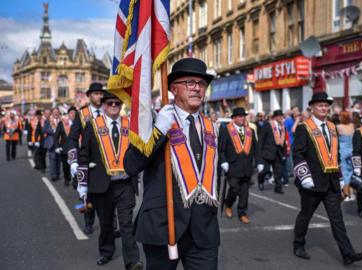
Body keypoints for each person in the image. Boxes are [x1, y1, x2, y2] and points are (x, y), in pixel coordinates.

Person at [124, 58, 219, 270]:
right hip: (162, 225)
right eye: (190, 83)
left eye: (201, 84)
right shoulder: (156, 121)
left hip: (204, 229)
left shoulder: (212, 127)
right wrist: (158, 132)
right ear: (174, 88)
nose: (197, 89)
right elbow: (130, 165)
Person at [292, 92, 362, 265]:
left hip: (332, 181)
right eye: (320, 105)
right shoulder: (305, 127)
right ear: (312, 108)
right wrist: (304, 176)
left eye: (326, 105)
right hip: (311, 182)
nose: (324, 108)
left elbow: (335, 155)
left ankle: (348, 253)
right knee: (306, 215)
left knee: (337, 219)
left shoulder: (332, 126)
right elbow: (298, 154)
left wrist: (341, 179)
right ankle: (298, 244)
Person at [77, 92, 142, 270]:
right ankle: (106, 252)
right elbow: (84, 155)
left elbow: (138, 152)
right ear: (104, 106)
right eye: (110, 103)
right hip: (102, 185)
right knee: (106, 224)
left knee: (126, 224)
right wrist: (82, 184)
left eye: (117, 103)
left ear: (121, 106)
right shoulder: (92, 126)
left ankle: (132, 261)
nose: (114, 106)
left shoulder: (130, 126)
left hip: (125, 184)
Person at [66, 82, 105, 234]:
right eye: (96, 93)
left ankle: (111, 224)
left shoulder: (108, 111)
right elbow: (72, 138)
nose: (99, 96)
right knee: (88, 195)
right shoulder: (82, 114)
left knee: (110, 193)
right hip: (87, 158)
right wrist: (73, 160)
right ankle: (89, 221)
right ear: (89, 96)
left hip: (106, 158)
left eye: (101, 93)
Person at [219, 107, 262, 224]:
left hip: (247, 167)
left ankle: (242, 212)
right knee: (234, 188)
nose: (242, 118)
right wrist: (223, 161)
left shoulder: (250, 131)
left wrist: (259, 162)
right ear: (234, 118)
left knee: (244, 191)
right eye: (239, 116)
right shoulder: (226, 130)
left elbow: (256, 148)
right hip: (232, 166)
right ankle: (228, 203)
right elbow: (221, 149)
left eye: (243, 116)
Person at [257, 109, 287, 194]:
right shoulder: (268, 124)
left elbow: (283, 141)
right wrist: (260, 152)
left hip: (278, 152)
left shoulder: (282, 126)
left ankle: (278, 188)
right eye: (280, 116)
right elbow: (261, 139)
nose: (282, 118)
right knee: (265, 170)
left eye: (282, 116)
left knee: (278, 171)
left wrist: (284, 152)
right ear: (275, 117)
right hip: (268, 152)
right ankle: (261, 181)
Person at [54, 106, 76, 186]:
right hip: (65, 149)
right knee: (66, 166)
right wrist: (57, 147)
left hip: (76, 149)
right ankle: (67, 179)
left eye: (74, 113)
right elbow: (56, 136)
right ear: (68, 114)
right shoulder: (62, 123)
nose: (73, 115)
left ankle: (75, 181)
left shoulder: (79, 123)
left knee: (75, 167)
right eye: (71, 113)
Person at [336, 111, 355, 199]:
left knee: (343, 172)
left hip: (342, 150)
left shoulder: (338, 127)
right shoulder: (352, 126)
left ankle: (345, 193)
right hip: (351, 149)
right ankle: (351, 192)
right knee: (351, 171)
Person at [45, 108, 62, 181]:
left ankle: (57, 174)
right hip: (52, 143)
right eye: (54, 112)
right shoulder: (48, 121)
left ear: (59, 113)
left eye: (57, 112)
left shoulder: (62, 121)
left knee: (58, 160)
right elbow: (44, 130)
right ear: (52, 113)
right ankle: (53, 175)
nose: (56, 113)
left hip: (60, 143)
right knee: (52, 159)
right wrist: (53, 131)